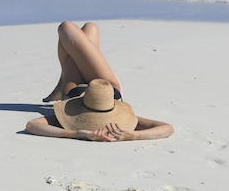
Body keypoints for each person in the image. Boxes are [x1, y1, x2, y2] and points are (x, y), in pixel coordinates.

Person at [26, 21, 174, 142]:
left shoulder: (72, 119)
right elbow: (167, 128)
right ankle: (62, 79)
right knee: (88, 28)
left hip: (74, 90)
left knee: (72, 27)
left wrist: (77, 133)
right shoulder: (120, 123)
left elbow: (33, 125)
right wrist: (135, 135)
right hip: (108, 88)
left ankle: (63, 81)